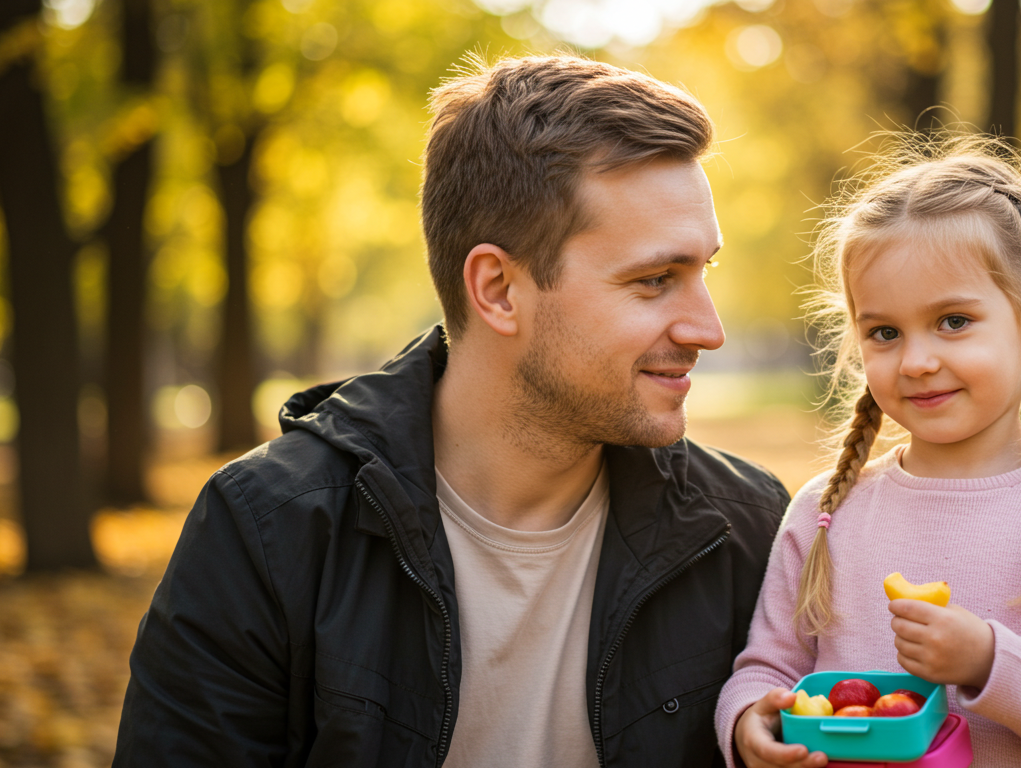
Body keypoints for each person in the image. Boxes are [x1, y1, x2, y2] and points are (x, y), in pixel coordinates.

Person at [113, 55, 790, 767]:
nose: (707, 329)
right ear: (497, 288)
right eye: (655, 280)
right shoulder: (269, 532)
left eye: (702, 271)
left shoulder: (745, 532)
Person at [715, 136, 1021, 768]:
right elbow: (766, 670)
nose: (918, 361)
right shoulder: (825, 511)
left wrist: (987, 659)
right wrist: (747, 724)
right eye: (885, 332)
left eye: (953, 320)